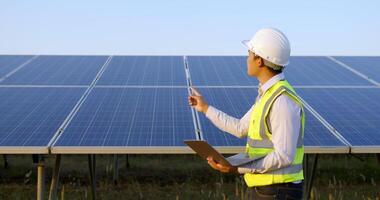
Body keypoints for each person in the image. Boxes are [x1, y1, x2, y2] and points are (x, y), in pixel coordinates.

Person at [188, 28, 304, 200]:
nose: (247, 58)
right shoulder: (267, 96)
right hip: (266, 190)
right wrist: (205, 108)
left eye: (249, 53)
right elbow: (240, 128)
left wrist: (237, 168)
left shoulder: (282, 101)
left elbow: (284, 156)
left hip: (278, 192)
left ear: (259, 61)